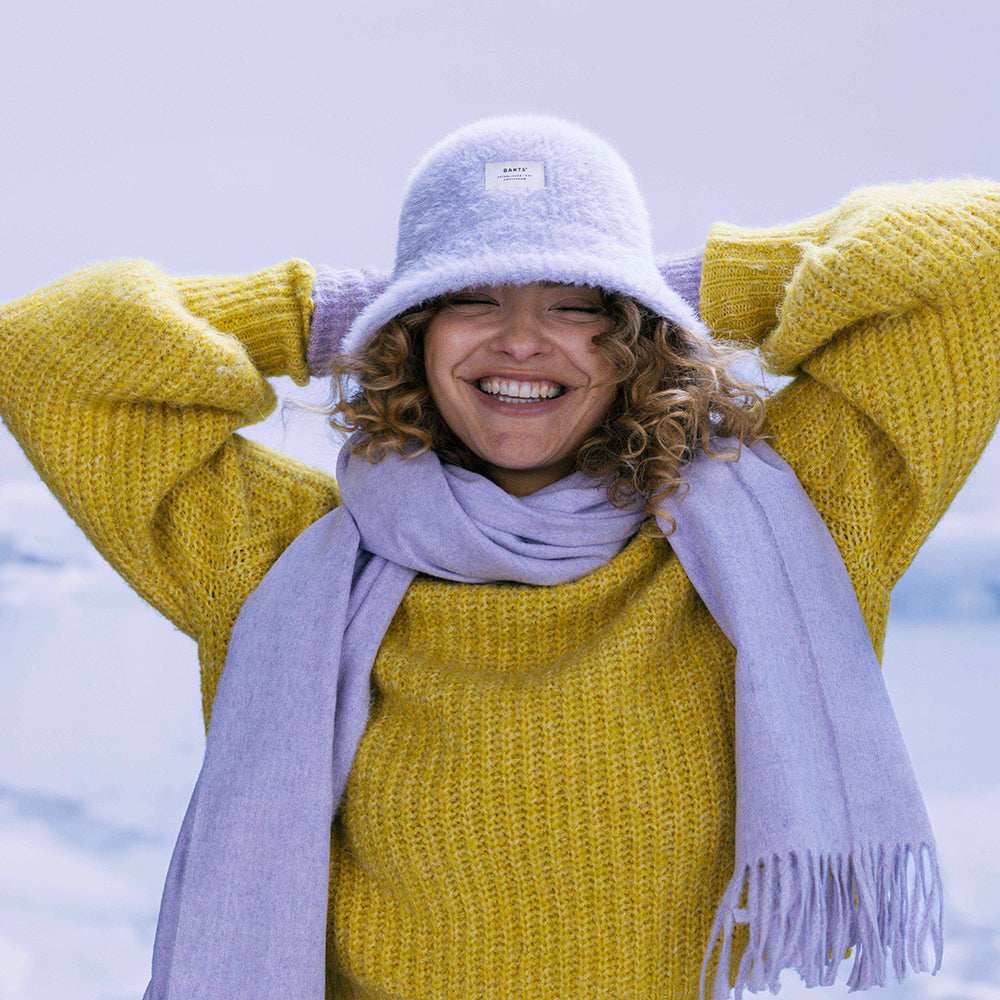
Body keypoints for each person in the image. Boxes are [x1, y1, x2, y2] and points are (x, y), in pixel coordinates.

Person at [1, 115, 998, 1000]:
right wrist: (328, 313)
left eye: (578, 303)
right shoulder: (278, 557)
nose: (524, 340)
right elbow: (43, 352)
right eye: (472, 297)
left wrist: (676, 283)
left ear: (635, 339)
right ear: (414, 331)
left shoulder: (781, 530)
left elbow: (972, 256)